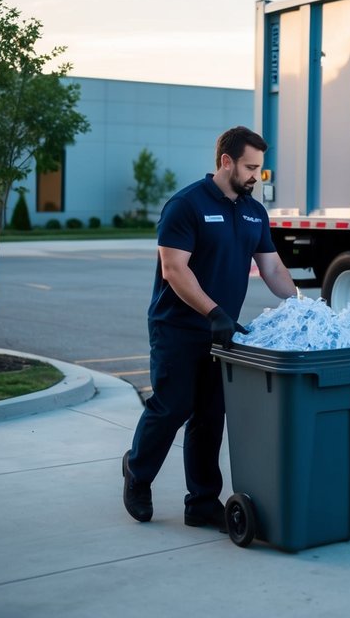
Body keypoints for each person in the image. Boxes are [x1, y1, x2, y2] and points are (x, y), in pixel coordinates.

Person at [122, 126, 298, 528]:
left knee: (210, 414)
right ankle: (137, 473)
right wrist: (213, 310)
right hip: (178, 326)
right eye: (250, 167)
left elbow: (271, 266)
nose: (257, 175)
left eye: (260, 167)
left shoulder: (254, 210)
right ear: (226, 162)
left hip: (221, 332)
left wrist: (301, 304)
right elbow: (174, 269)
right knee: (172, 406)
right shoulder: (186, 205)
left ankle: (201, 502)